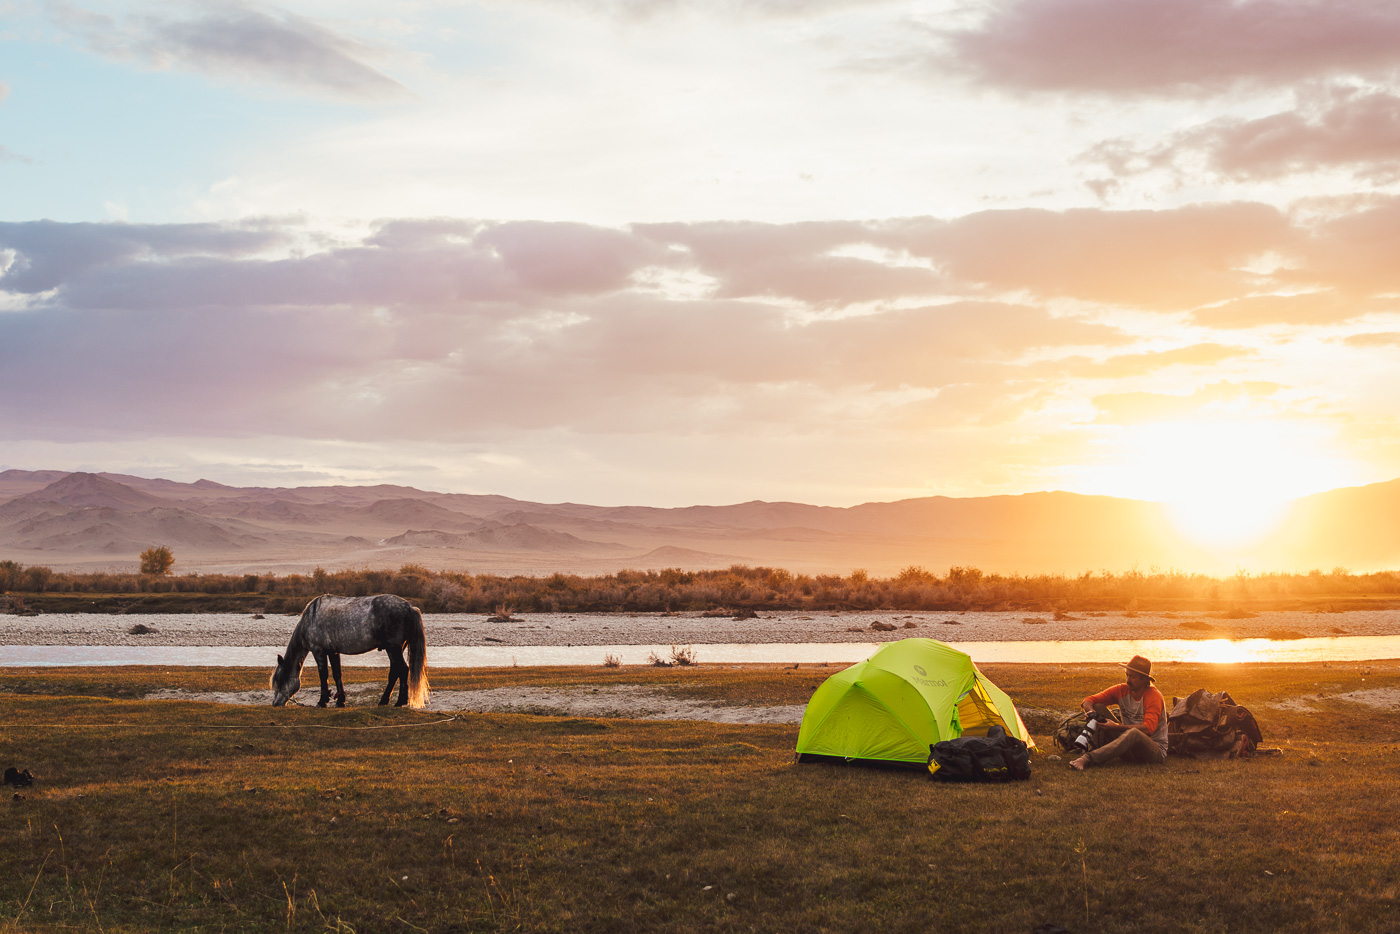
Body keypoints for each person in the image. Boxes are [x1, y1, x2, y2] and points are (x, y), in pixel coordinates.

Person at [1070, 654, 1167, 770]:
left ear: (1144, 679)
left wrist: (1116, 727)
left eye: (1132, 677)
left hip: (1153, 752)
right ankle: (1092, 745)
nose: (1128, 681)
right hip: (1128, 749)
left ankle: (1087, 758)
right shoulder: (1122, 690)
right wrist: (1091, 712)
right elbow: (1088, 700)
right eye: (1127, 675)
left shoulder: (1153, 696)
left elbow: (1147, 729)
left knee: (1134, 733)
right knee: (1098, 707)